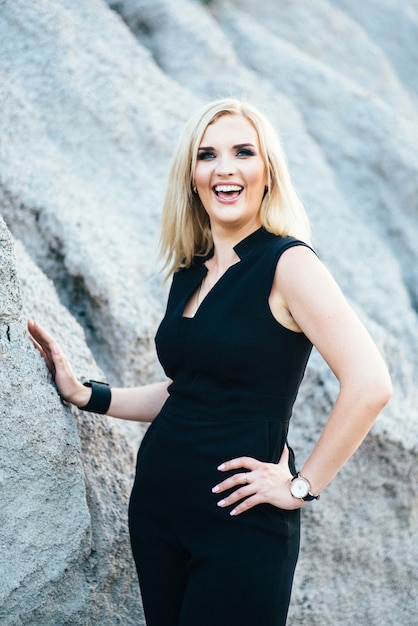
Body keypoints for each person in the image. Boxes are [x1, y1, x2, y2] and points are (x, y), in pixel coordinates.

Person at [28, 98, 392, 626]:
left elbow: (370, 383)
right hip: (157, 512)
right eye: (207, 155)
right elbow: (189, 391)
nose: (224, 167)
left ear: (267, 171)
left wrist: (299, 486)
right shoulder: (190, 271)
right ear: (193, 176)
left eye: (243, 152)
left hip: (241, 525)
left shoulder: (288, 263)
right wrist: (88, 394)